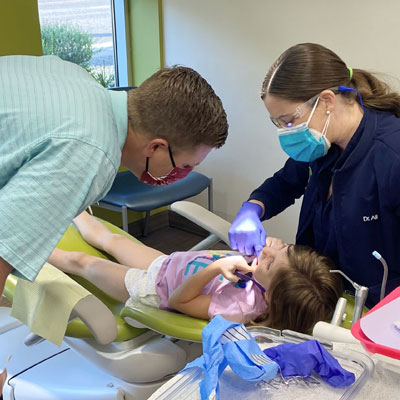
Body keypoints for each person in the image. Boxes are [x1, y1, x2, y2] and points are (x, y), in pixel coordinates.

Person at [0, 55, 228, 299]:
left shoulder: (75, 77)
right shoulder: (91, 153)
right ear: (156, 147)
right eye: (184, 165)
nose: (183, 175)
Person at [229, 42, 400, 307]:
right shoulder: (321, 144)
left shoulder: (391, 156)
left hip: (378, 306)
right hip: (323, 294)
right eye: (277, 123)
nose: (286, 131)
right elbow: (286, 182)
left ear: (327, 101)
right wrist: (253, 207)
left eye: (288, 121)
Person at [48, 211, 342, 334]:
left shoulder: (239, 308)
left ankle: (22, 249)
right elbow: (270, 260)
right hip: (168, 264)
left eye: (270, 262)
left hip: (153, 289)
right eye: (285, 248)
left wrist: (216, 267)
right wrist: (272, 256)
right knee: (112, 240)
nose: (270, 250)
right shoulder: (270, 279)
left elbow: (180, 301)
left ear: (274, 298)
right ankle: (72, 208)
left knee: (83, 263)